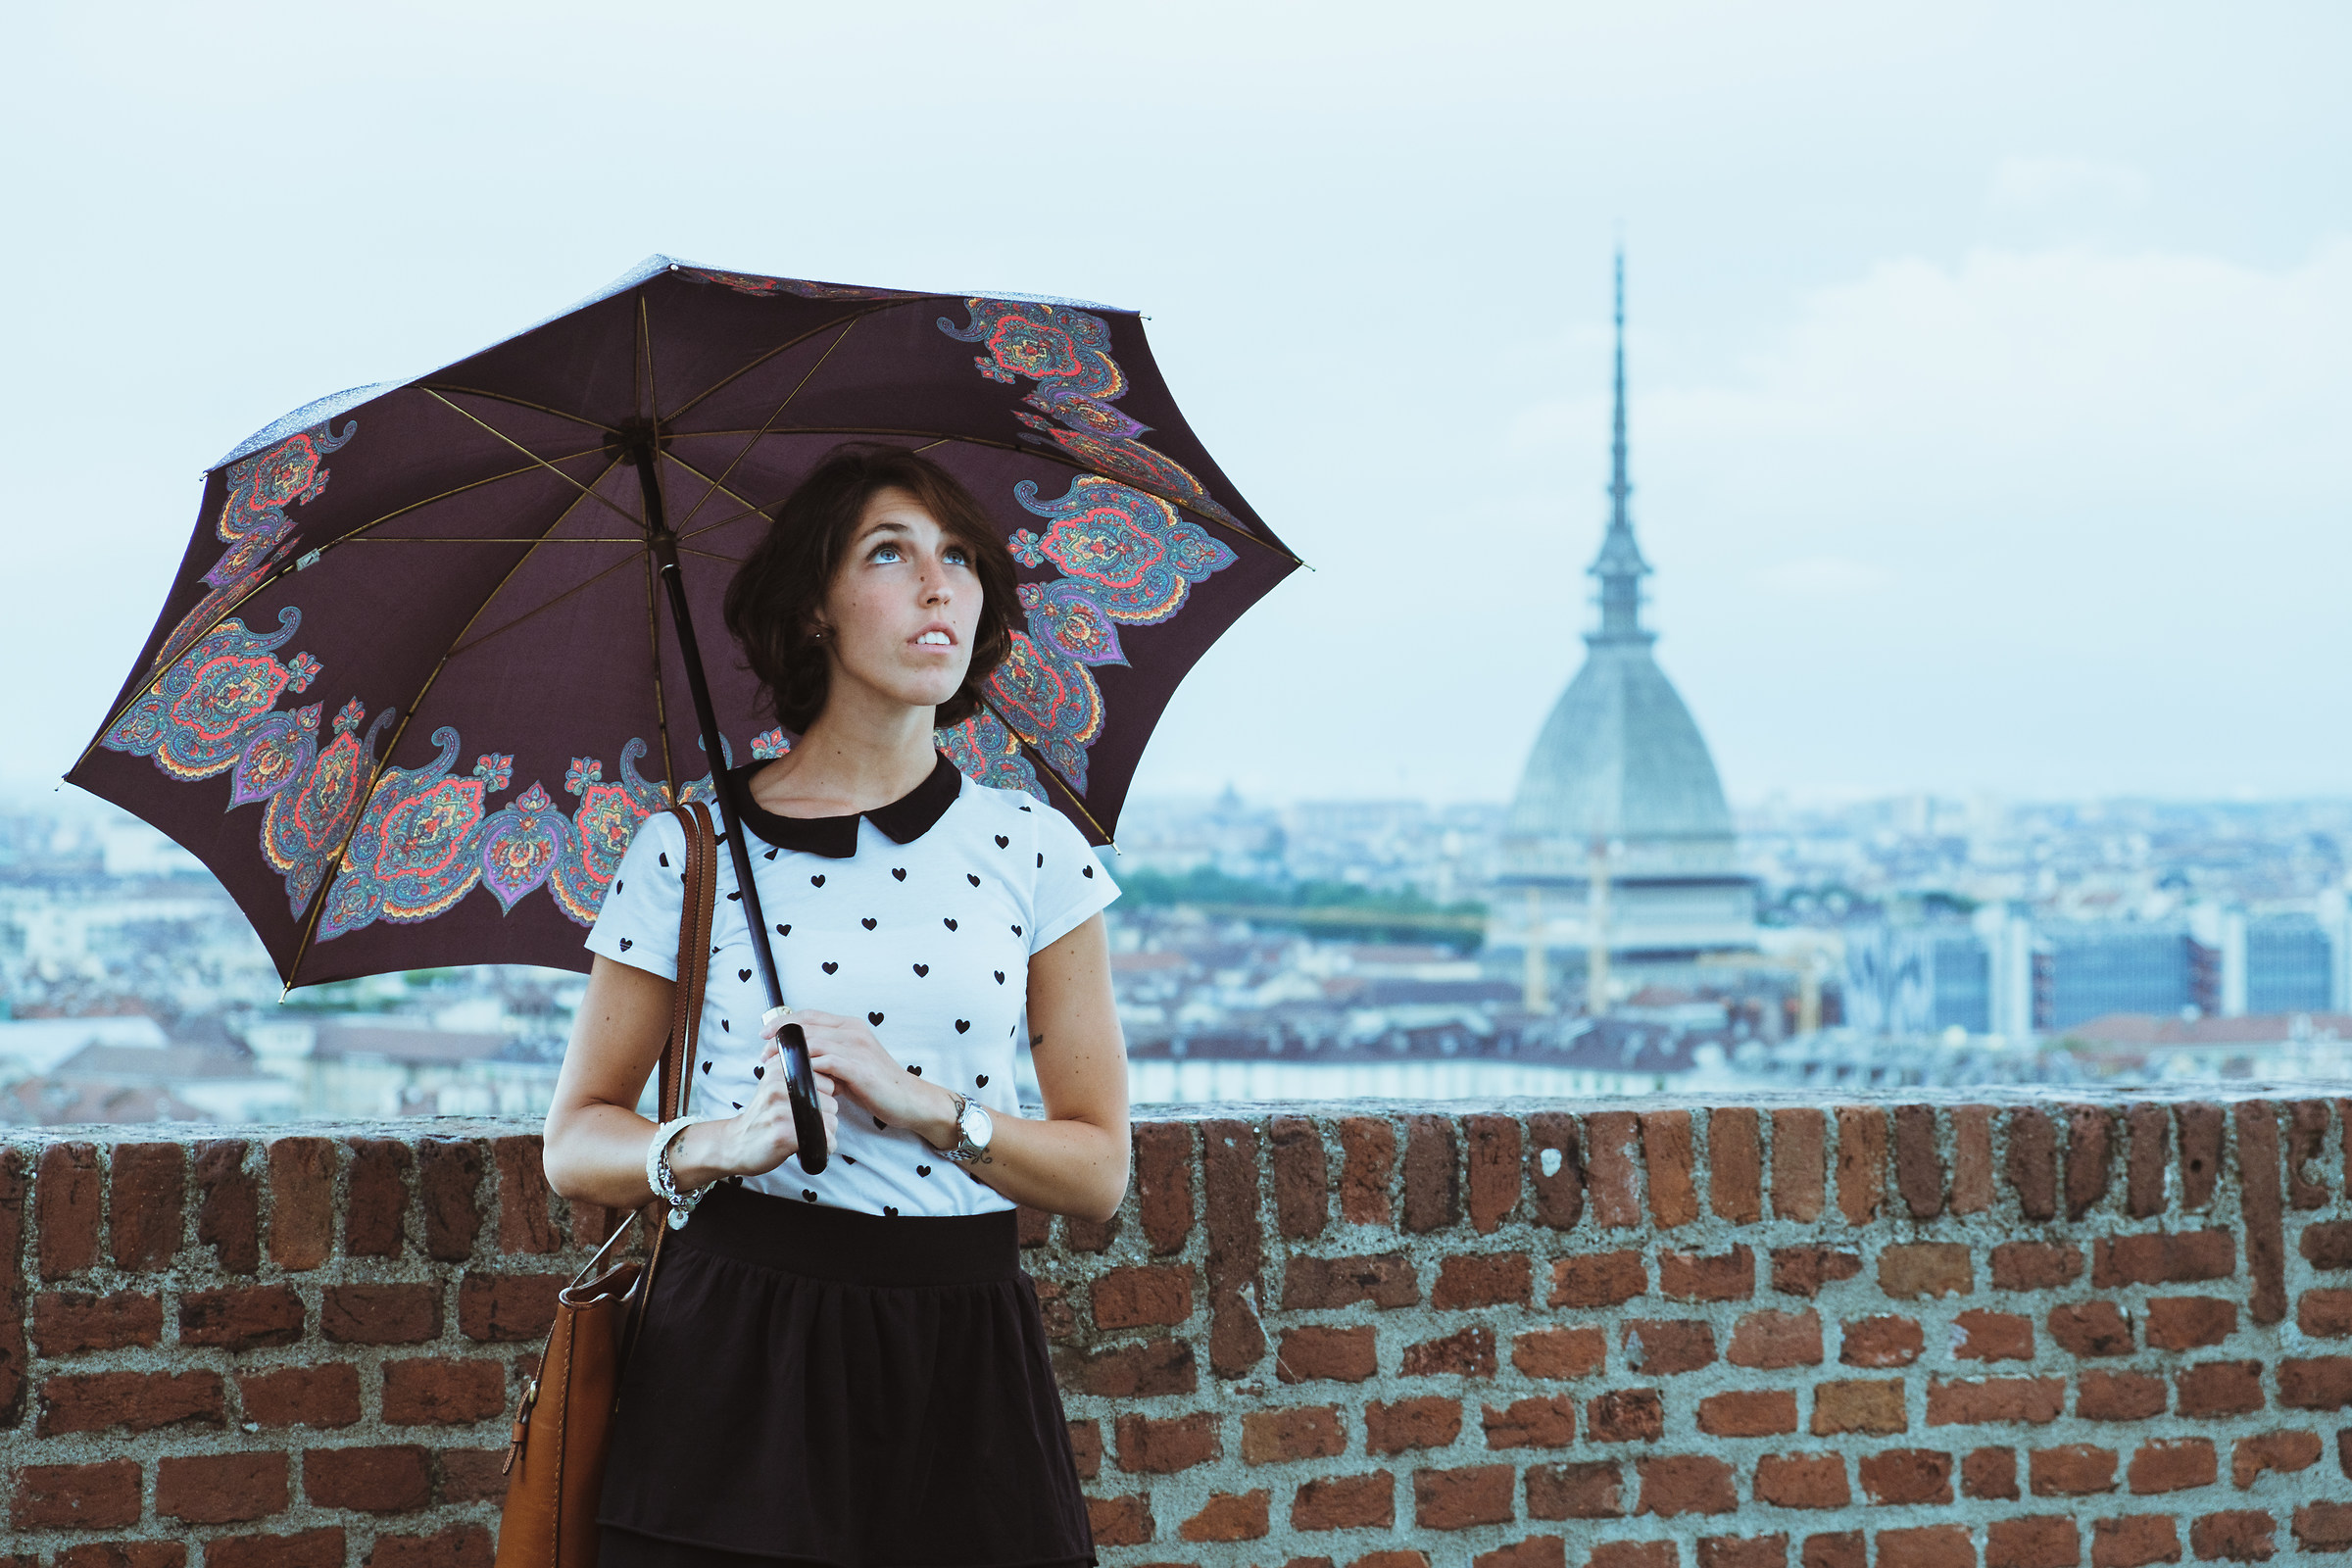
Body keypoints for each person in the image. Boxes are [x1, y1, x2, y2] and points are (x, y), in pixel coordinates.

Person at [542, 443, 1126, 1568]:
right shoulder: (690, 848)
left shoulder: (1033, 849)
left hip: (963, 1353)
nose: (939, 583)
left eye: (957, 555)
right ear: (814, 608)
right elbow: (577, 1138)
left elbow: (1099, 1170)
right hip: (739, 1345)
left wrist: (927, 1109)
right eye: (890, 553)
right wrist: (725, 1141)